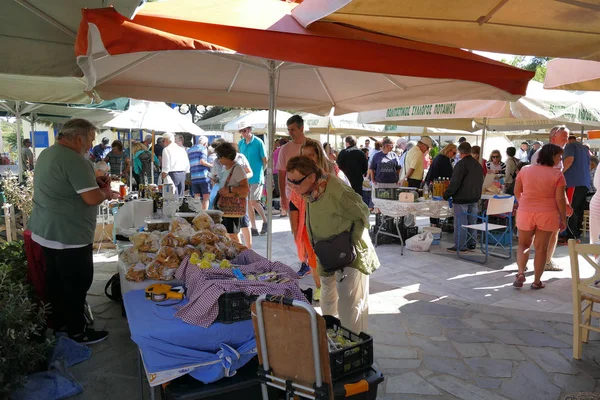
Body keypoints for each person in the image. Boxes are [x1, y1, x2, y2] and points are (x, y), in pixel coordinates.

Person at [28, 119, 117, 344]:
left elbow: (65, 184)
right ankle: (78, 332)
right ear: (79, 138)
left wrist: (93, 180)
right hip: (69, 235)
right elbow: (91, 198)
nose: (91, 144)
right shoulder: (74, 160)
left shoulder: (49, 153)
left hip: (47, 230)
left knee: (56, 282)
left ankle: (60, 325)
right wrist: (106, 193)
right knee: (77, 283)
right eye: (90, 139)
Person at [286, 155, 379, 333]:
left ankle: (352, 346)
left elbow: (363, 213)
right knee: (328, 298)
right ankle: (330, 338)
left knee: (349, 304)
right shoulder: (310, 191)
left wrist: (348, 242)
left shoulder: (336, 189)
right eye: (289, 181)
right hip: (326, 254)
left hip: (348, 254)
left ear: (311, 176)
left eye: (295, 182)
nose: (292, 186)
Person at [513, 144, 568, 290]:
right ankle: (536, 281)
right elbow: (560, 199)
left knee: (523, 245)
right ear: (551, 156)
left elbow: (517, 191)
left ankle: (520, 273)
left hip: (525, 212)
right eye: (558, 156)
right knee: (541, 249)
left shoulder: (525, 170)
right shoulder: (557, 175)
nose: (560, 159)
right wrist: (564, 218)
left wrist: (524, 203)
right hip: (548, 213)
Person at [211, 139, 254, 249]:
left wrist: (229, 190)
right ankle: (236, 254)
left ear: (226, 156)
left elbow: (245, 189)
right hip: (225, 208)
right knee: (228, 235)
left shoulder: (237, 169)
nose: (218, 160)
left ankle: (241, 255)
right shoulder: (226, 168)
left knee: (233, 235)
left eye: (220, 157)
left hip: (233, 209)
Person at [443, 142, 484, 252]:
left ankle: (460, 245)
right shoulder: (477, 165)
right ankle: (471, 243)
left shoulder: (461, 164)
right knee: (472, 222)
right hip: (475, 198)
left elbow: (455, 182)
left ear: (460, 152)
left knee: (461, 223)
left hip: (462, 198)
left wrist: (447, 194)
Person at [238, 126, 269, 236]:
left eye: (244, 130)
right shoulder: (240, 143)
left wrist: (261, 173)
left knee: (253, 201)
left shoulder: (258, 142)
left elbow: (265, 160)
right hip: (245, 178)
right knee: (249, 204)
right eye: (241, 131)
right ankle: (254, 227)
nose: (243, 133)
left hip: (256, 176)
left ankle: (266, 221)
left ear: (250, 130)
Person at [561, 130, 591, 241]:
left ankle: (571, 235)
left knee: (570, 208)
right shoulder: (584, 148)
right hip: (584, 182)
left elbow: (569, 160)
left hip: (573, 182)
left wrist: (560, 172)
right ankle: (575, 233)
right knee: (578, 210)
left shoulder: (570, 146)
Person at [276, 115, 306, 219]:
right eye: (288, 130)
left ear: (301, 128)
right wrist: (283, 196)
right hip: (292, 194)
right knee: (296, 229)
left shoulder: (314, 145)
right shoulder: (284, 149)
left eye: (292, 129)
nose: (290, 133)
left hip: (311, 194)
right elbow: (281, 174)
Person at [425, 143, 456, 226]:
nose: (454, 155)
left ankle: (434, 224)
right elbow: (449, 175)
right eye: (454, 153)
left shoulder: (438, 158)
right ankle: (435, 225)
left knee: (434, 206)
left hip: (433, 184)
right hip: (437, 185)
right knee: (436, 206)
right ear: (448, 151)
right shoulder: (444, 160)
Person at [161, 132, 190, 197]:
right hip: (182, 174)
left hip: (172, 174)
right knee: (181, 195)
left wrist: (164, 174)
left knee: (173, 195)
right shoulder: (181, 149)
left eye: (163, 140)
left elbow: (166, 164)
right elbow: (187, 163)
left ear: (166, 140)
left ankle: (175, 207)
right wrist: (186, 172)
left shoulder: (166, 150)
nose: (163, 142)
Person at [188, 135, 212, 209]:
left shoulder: (190, 150)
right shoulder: (203, 148)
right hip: (203, 176)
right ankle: (204, 215)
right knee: (206, 197)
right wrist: (211, 165)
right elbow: (202, 161)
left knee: (197, 198)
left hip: (194, 176)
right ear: (205, 143)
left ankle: (197, 213)